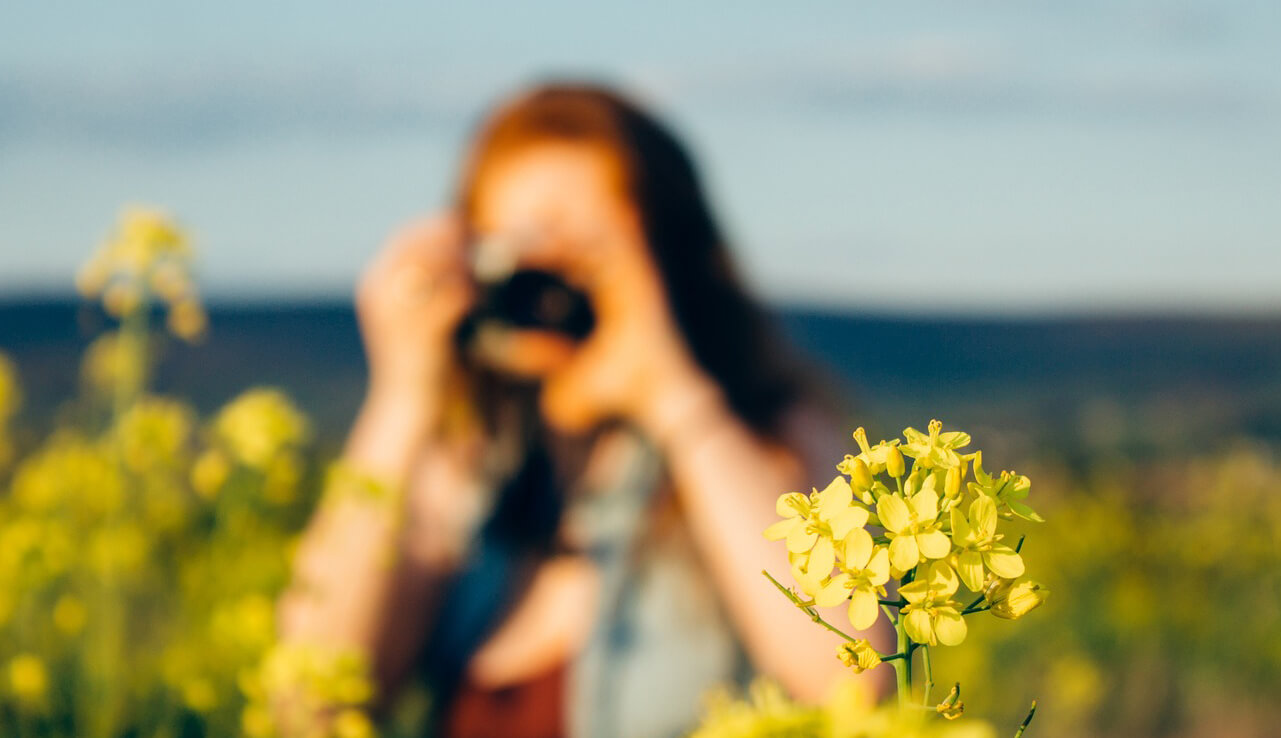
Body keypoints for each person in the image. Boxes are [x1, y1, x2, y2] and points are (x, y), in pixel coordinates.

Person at [278, 82, 891, 738]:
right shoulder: (468, 471)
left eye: (580, 255)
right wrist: (404, 395)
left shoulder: (768, 441)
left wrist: (674, 396)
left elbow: (857, 689)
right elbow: (306, 706)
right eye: (509, 252)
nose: (542, 286)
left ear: (664, 257)